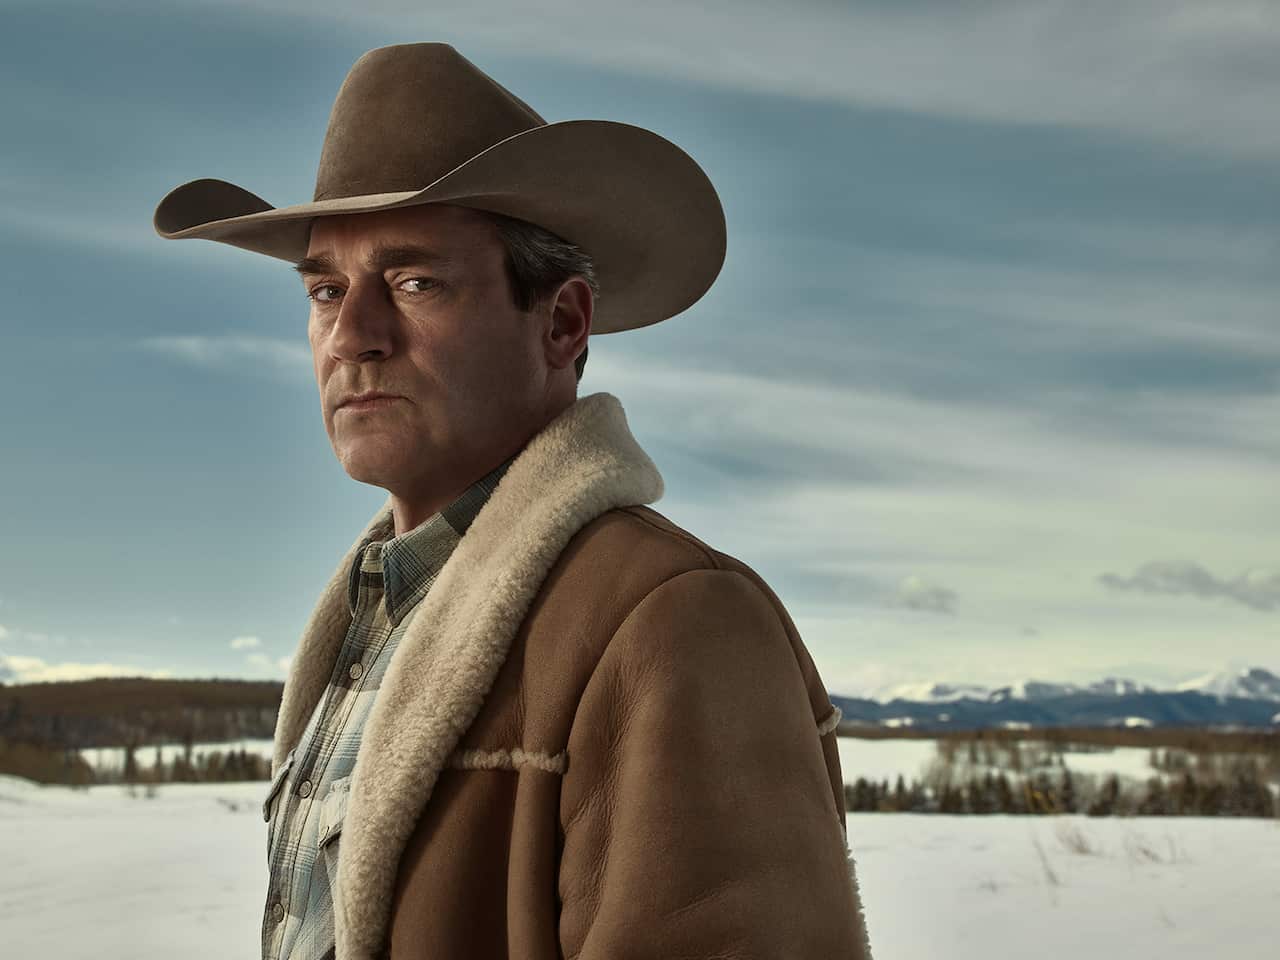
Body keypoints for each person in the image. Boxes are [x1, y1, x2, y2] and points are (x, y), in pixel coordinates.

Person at [154, 41, 872, 960]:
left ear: (563, 323)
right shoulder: (379, 608)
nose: (354, 335)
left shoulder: (672, 620)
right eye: (326, 289)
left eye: (416, 282)